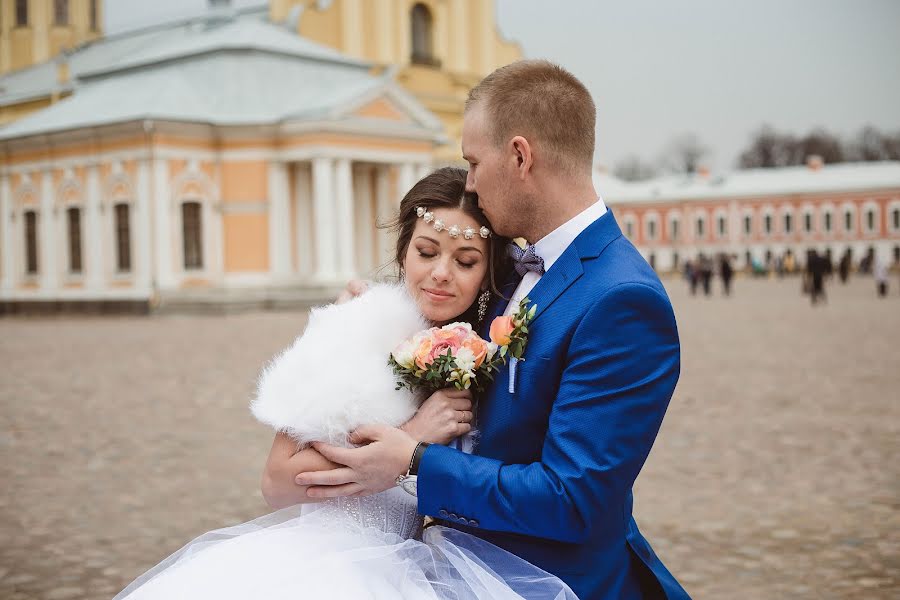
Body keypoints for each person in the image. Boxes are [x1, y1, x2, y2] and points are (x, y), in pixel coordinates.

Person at [295, 60, 689, 600]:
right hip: (450, 568)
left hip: (553, 583)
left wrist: (414, 462)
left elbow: (573, 498)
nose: (471, 183)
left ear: (521, 156)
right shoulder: (505, 270)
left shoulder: (622, 300)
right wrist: (360, 323)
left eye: (474, 162)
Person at [114, 167, 577, 600]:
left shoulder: (477, 351)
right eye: (426, 252)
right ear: (402, 252)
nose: (441, 273)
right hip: (334, 568)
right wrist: (413, 438)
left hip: (417, 565)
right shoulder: (356, 327)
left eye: (466, 260)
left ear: (486, 273)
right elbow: (277, 481)